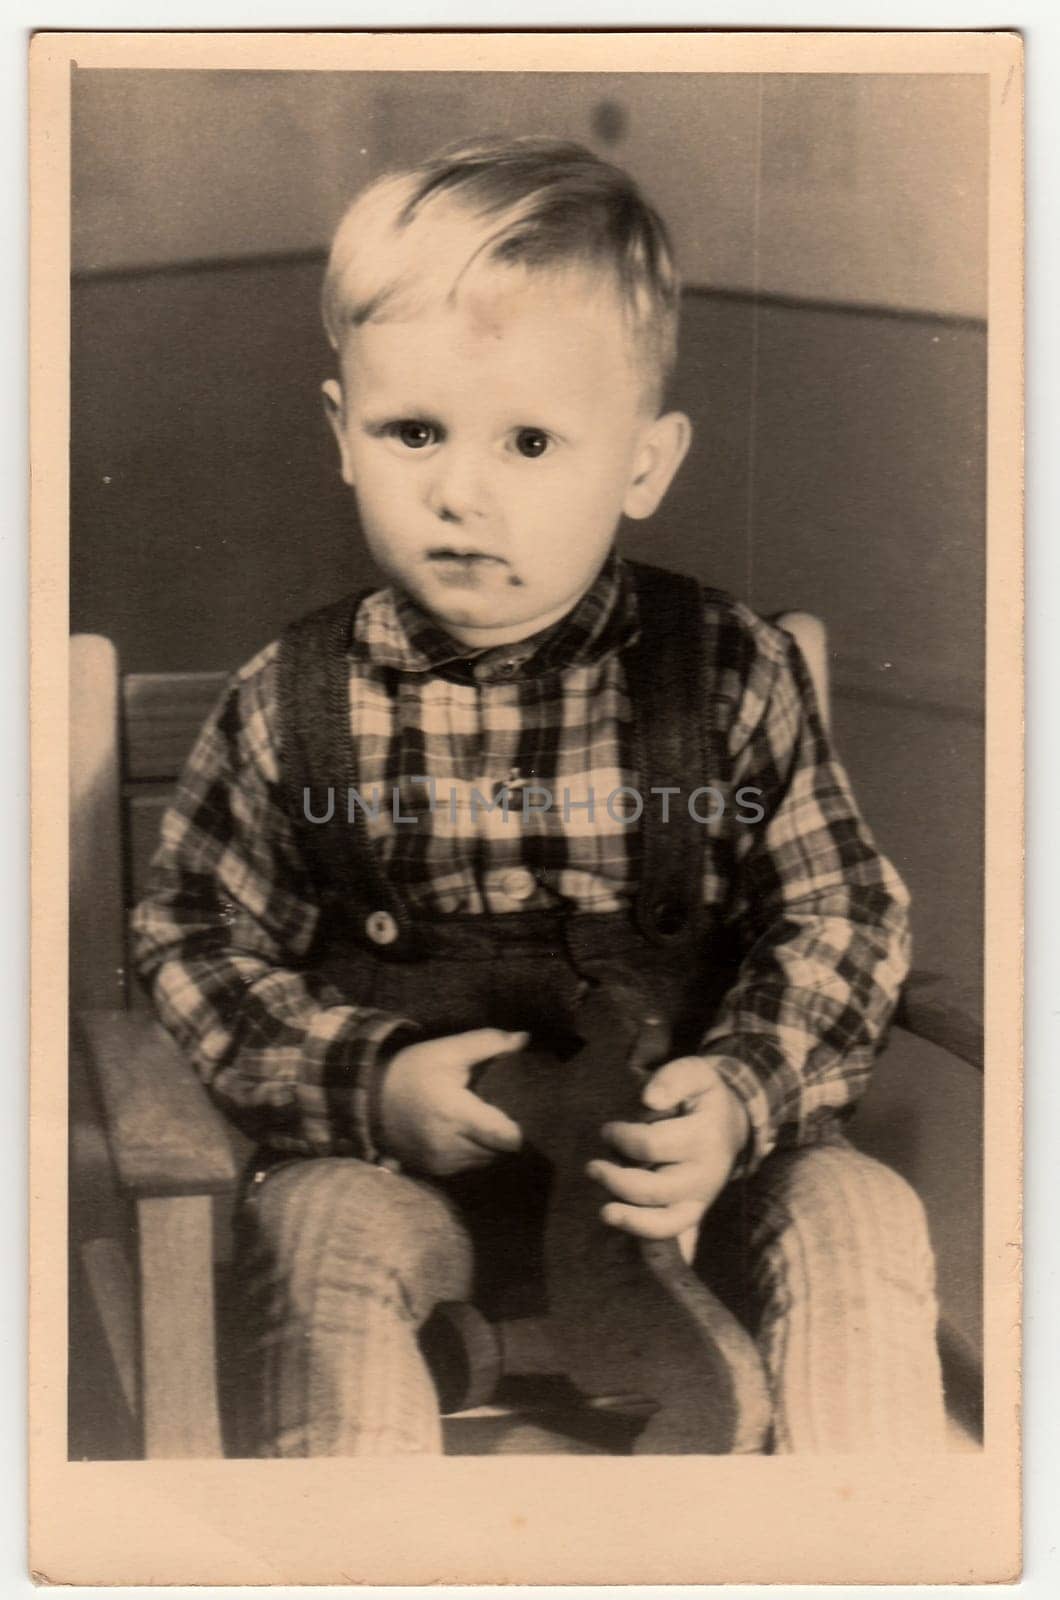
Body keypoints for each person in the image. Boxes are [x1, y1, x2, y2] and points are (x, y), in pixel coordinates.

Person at [131, 136, 946, 1455]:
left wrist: (742, 1094)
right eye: (414, 432)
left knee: (860, 1213)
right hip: (414, 1183)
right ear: (341, 433)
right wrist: (366, 1081)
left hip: (688, 1184)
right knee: (314, 1230)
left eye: (529, 441)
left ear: (642, 460)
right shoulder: (294, 697)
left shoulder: (732, 673)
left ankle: (869, 1539)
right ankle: (346, 1551)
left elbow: (841, 920)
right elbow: (193, 942)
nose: (461, 490)